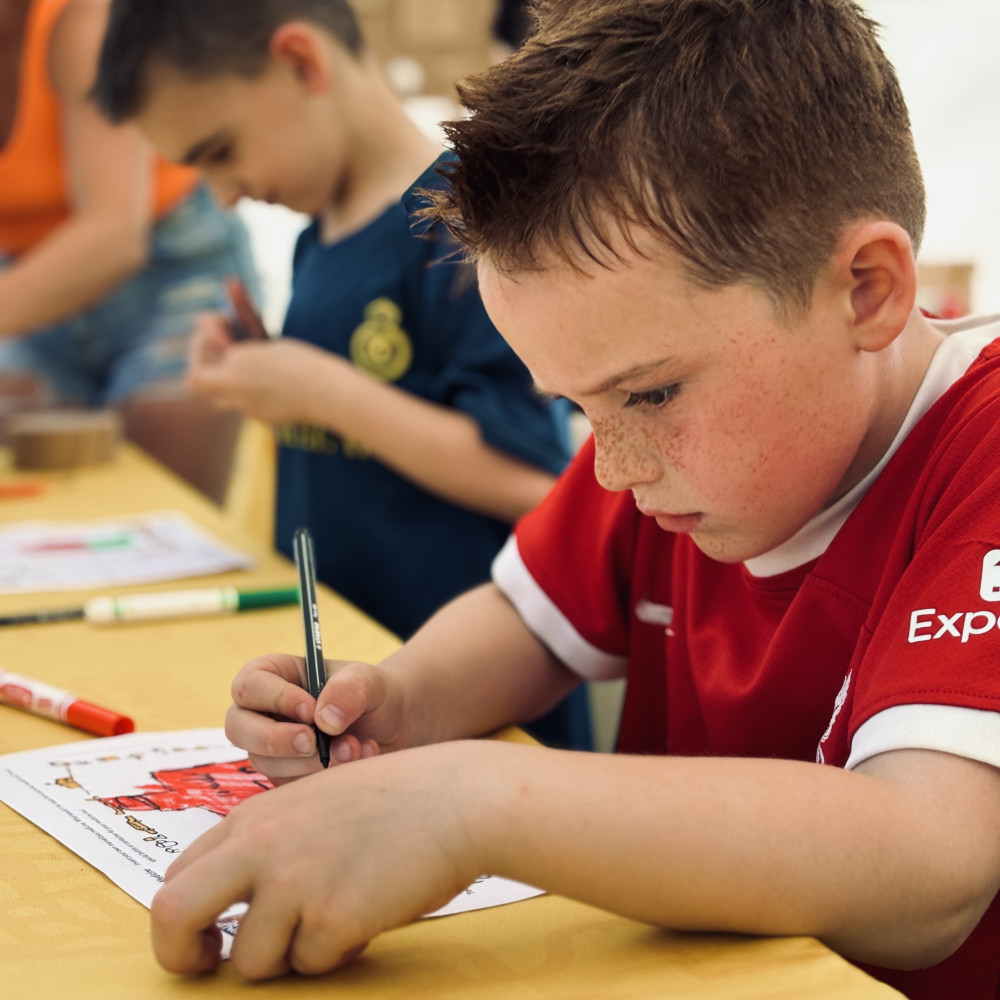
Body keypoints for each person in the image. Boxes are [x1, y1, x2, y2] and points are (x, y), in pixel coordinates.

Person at [100, 0, 1000, 997]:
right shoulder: (668, 451)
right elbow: (526, 621)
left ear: (867, 289)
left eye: (649, 393)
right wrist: (394, 705)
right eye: (576, 405)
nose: (609, 466)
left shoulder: (983, 453)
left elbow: (929, 861)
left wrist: (470, 801)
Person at [91, 0, 587, 749]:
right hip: (356, 689)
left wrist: (320, 391)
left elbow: (536, 479)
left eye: (221, 151)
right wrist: (265, 374)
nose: (223, 193)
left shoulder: (463, 226)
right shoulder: (317, 237)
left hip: (473, 706)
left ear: (301, 62)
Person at [0, 0, 259, 504]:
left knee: (168, 515)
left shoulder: (80, 20)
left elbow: (114, 236)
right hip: (27, 286)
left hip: (171, 269)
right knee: (39, 512)